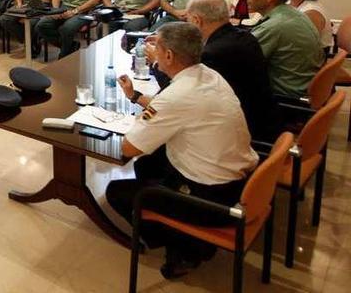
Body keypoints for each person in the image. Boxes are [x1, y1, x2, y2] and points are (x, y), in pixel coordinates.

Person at [106, 22, 258, 279]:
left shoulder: (177, 95)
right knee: (147, 165)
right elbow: (176, 108)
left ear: (168, 56)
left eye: (157, 47)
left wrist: (135, 124)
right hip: (237, 179)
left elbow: (129, 147)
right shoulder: (209, 75)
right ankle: (180, 232)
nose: (151, 51)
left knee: (117, 192)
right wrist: (135, 97)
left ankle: (186, 248)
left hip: (210, 197)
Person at [184, 0, 278, 142]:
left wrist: (159, 63)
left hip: (241, 130)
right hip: (263, 116)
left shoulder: (213, 53)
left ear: (197, 20)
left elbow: (185, 95)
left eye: (188, 20)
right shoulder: (244, 36)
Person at [247, 0, 323, 98]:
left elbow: (239, 59)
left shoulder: (275, 25)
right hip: (303, 87)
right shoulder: (294, 13)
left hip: (285, 98)